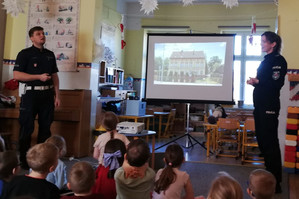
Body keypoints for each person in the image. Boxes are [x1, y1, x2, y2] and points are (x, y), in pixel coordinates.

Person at [13, 26, 60, 169]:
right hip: (30, 94)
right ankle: (25, 161)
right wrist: (38, 77)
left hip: (47, 95)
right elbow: (17, 75)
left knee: (45, 128)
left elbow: (54, 76)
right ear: (32, 38)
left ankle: (42, 159)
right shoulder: (24, 54)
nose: (42, 36)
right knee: (27, 127)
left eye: (43, 33)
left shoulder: (50, 54)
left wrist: (57, 95)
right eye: (38, 34)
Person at [247, 31, 287, 193]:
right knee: (263, 143)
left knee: (270, 144)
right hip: (260, 108)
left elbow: (275, 83)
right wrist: (255, 83)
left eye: (264, 41)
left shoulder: (278, 61)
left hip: (269, 108)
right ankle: (268, 179)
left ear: (273, 44)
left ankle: (275, 183)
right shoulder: (266, 61)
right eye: (262, 41)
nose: (262, 44)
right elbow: (264, 83)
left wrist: (258, 81)